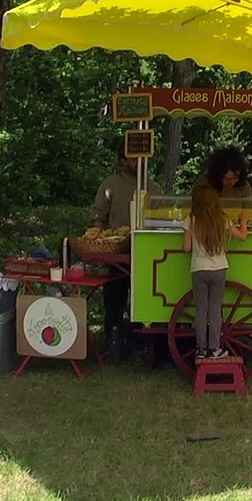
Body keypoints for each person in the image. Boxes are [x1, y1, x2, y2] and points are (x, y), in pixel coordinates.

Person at [90, 146, 163, 360]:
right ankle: (112, 343)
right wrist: (99, 242)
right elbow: (98, 219)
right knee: (114, 298)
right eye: (133, 157)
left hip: (147, 253)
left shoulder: (154, 188)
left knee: (144, 299)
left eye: (142, 157)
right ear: (123, 159)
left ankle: (139, 343)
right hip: (117, 252)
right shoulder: (110, 185)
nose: (137, 162)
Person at [183, 184, 248, 359]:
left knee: (201, 309)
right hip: (219, 268)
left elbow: (186, 247)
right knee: (215, 308)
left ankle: (200, 349)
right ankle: (214, 348)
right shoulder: (222, 219)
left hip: (198, 268)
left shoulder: (191, 220)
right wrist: (243, 223)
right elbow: (242, 236)